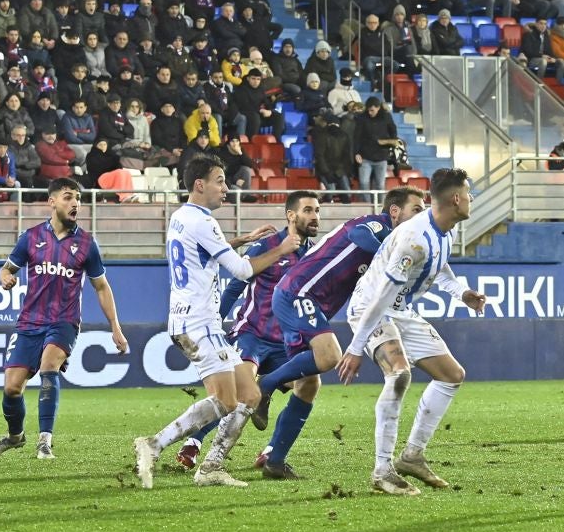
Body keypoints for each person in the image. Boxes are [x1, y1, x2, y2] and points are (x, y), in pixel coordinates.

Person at [132, 154, 302, 489]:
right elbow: (241, 270)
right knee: (226, 401)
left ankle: (211, 467)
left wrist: (237, 242)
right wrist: (281, 249)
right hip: (200, 324)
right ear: (200, 184)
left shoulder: (181, 216)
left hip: (188, 320)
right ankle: (154, 444)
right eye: (220, 181)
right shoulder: (204, 221)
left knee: (250, 395)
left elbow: (200, 250)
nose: (226, 188)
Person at [338, 168, 486, 495]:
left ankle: (412, 455)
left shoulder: (446, 232)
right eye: (468, 192)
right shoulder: (413, 239)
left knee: (451, 374)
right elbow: (381, 296)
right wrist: (355, 346)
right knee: (399, 375)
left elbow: (441, 266)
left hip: (400, 310)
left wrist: (461, 292)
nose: (472, 198)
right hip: (372, 306)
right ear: (456, 198)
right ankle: (382, 470)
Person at [250, 187, 427, 437]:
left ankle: (273, 458)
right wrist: (386, 257)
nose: (422, 216)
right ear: (396, 211)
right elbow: (358, 234)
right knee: (330, 355)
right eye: (417, 210)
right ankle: (265, 384)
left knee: (308, 384)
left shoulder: (401, 243)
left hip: (309, 301)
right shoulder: (378, 224)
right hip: (299, 292)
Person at [176, 191, 321, 477]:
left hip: (286, 343)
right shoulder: (265, 247)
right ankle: (194, 442)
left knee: (309, 384)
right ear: (291, 215)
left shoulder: (316, 255)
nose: (315, 216)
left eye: (317, 210)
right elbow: (234, 287)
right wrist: (215, 323)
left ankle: (272, 453)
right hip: (251, 334)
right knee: (239, 392)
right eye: (307, 210)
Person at [0, 178, 128, 460]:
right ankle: (15, 437)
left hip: (64, 321)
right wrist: (6, 278)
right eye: (68, 197)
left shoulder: (86, 244)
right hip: (29, 322)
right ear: (52, 202)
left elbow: (101, 286)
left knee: (49, 365)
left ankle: (44, 441)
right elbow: (6, 268)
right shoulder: (31, 237)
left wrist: (115, 329)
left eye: (78, 199)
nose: (75, 203)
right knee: (12, 388)